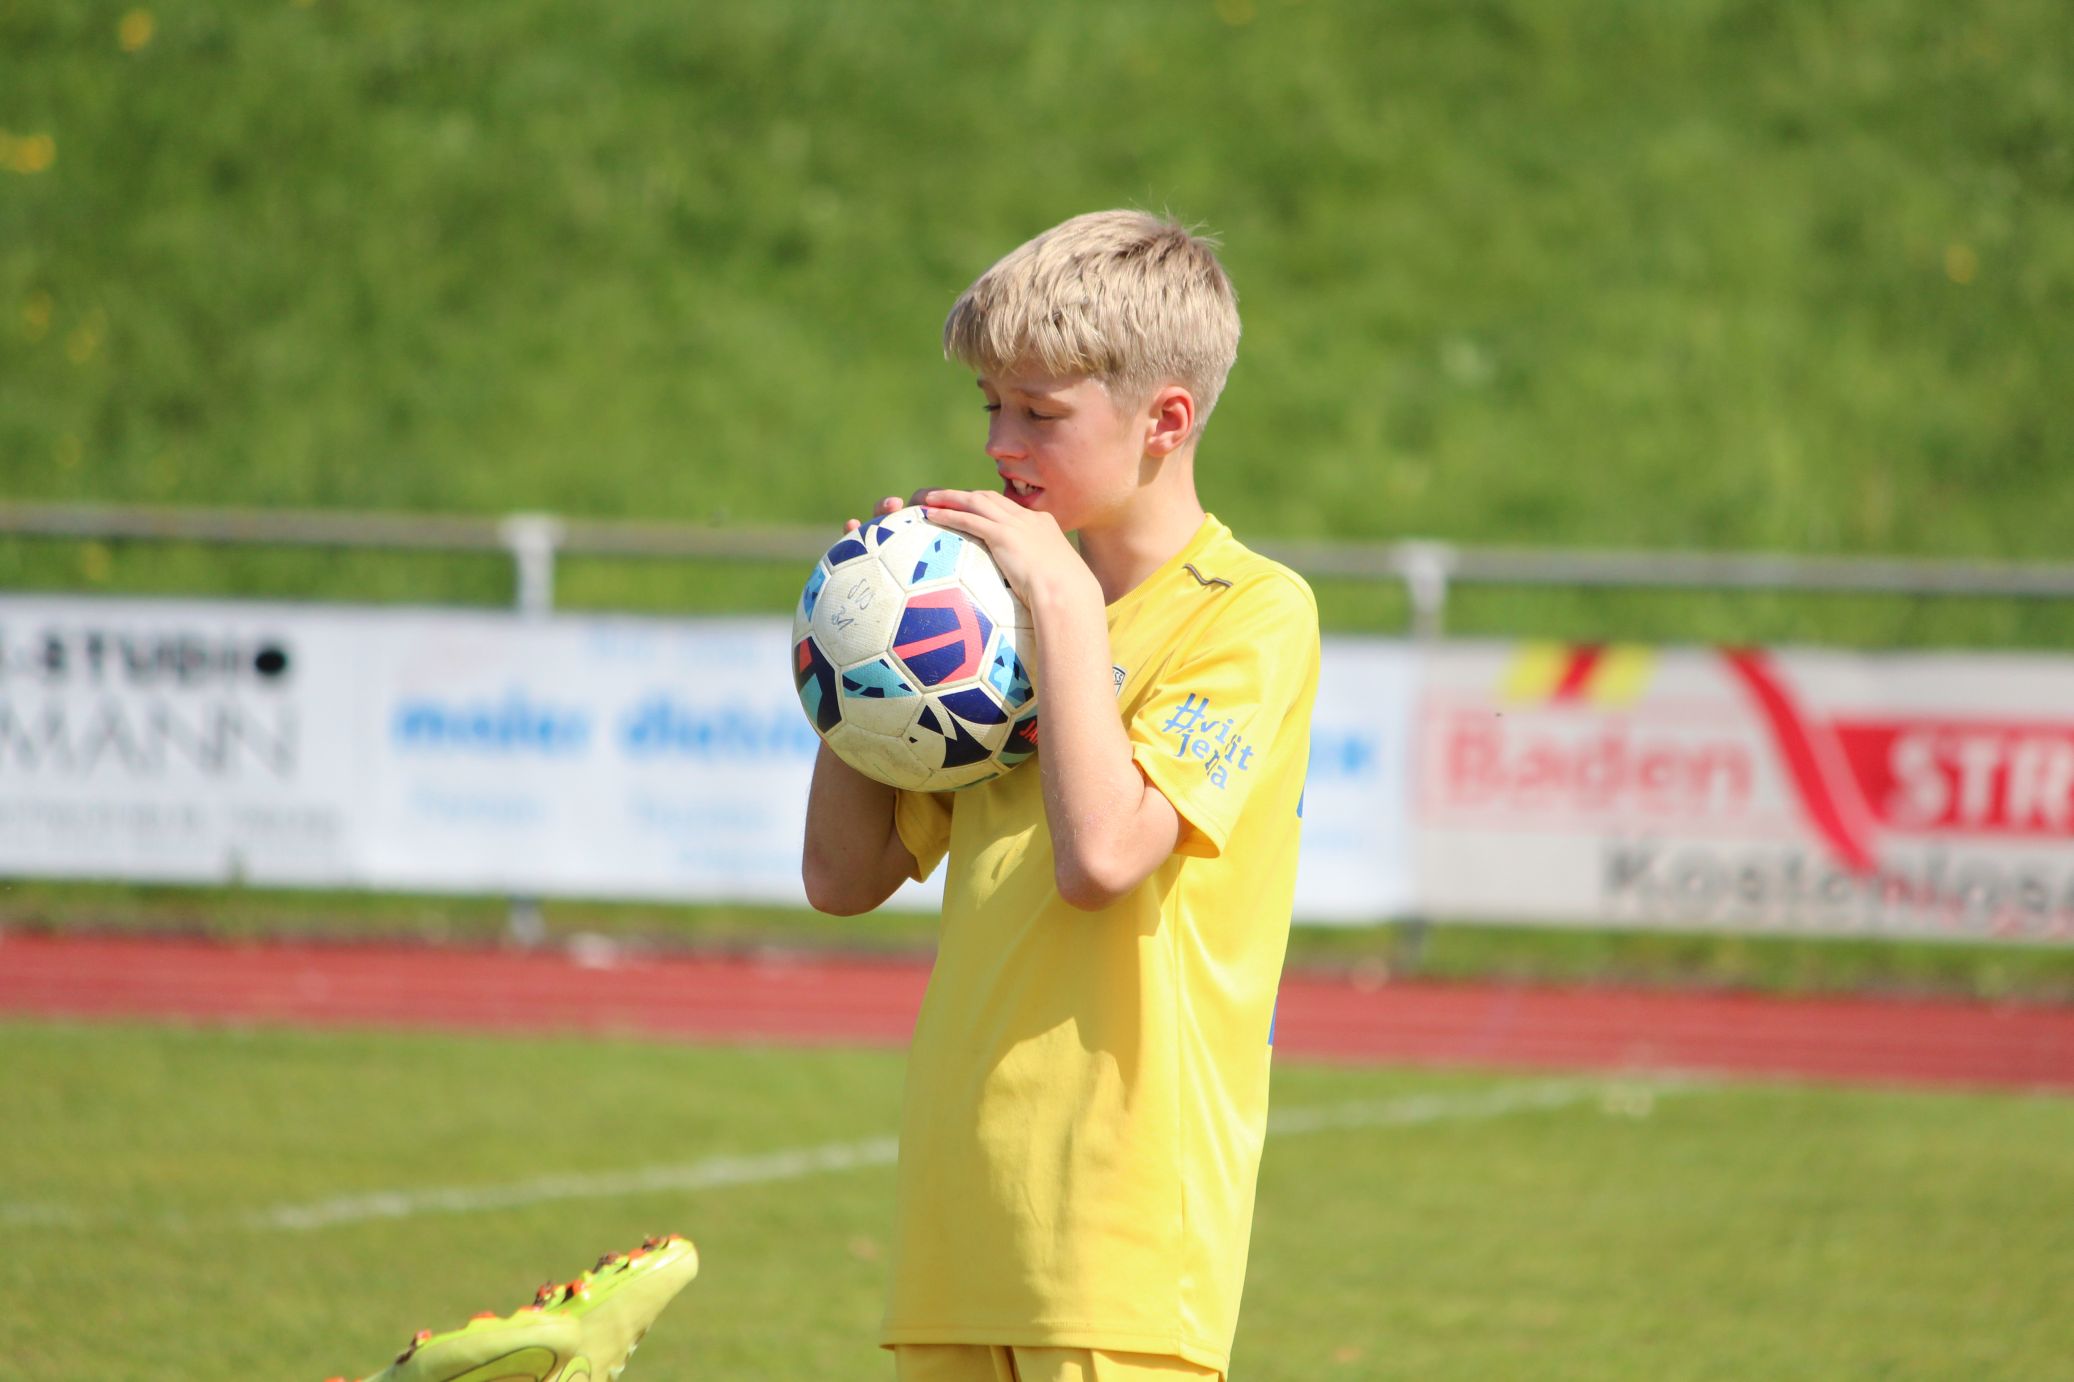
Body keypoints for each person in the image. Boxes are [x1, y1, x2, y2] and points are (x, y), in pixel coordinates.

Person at [802, 209, 1322, 1382]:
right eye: (990, 405)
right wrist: (867, 644)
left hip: (1120, 1237)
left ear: (1164, 422)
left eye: (1040, 413)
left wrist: (1063, 602)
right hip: (958, 1217)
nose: (1002, 442)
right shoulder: (993, 612)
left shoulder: (1251, 610)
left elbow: (1102, 859)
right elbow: (838, 877)